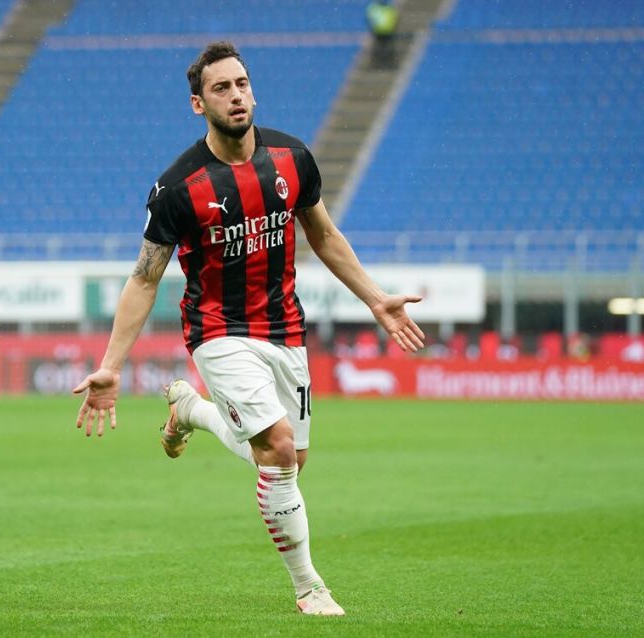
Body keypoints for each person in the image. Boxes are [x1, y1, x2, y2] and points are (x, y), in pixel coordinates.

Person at [71, 41, 425, 616]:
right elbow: (143, 279)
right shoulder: (178, 188)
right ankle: (310, 587)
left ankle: (193, 412)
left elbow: (325, 236)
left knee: (287, 460)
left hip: (284, 328)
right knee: (280, 449)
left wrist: (377, 299)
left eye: (242, 83)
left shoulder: (292, 158)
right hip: (217, 330)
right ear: (197, 104)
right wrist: (111, 366)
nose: (235, 95)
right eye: (221, 88)